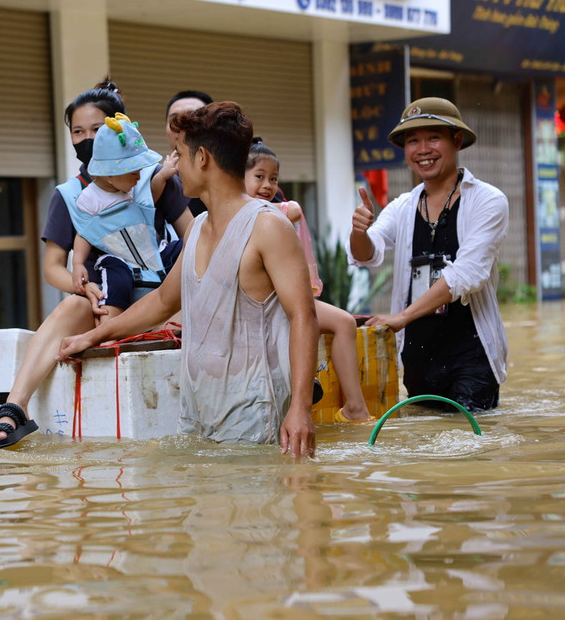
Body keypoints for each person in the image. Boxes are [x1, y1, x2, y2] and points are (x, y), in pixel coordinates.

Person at [58, 102, 318, 457]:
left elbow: (303, 316)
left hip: (254, 411)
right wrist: (91, 337)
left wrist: (300, 409)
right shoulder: (197, 229)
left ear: (203, 159)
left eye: (179, 153)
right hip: (197, 409)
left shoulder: (268, 225)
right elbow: (164, 301)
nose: (175, 164)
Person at [0, 80, 193, 448]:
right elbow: (53, 268)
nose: (86, 138)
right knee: (71, 307)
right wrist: (83, 286)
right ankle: (14, 408)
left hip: (161, 295)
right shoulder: (69, 195)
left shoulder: (152, 177)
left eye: (96, 129)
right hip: (102, 299)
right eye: (77, 131)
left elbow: (192, 235)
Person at [348, 97, 509, 411]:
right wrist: (358, 231)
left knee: (469, 445)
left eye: (433, 138)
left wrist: (403, 316)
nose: (422, 149)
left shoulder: (489, 201)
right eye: (412, 141)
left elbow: (467, 275)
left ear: (456, 140)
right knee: (426, 446)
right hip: (418, 354)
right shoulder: (403, 206)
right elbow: (367, 254)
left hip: (472, 355)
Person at [245, 140, 372, 422]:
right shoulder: (245, 214)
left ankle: (355, 408)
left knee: (344, 321)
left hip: (284, 300)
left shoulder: (278, 211)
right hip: (259, 306)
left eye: (273, 179)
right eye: (259, 177)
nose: (267, 185)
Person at [70, 113, 184, 322]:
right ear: (110, 174)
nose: (139, 177)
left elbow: (151, 195)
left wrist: (163, 174)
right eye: (133, 173)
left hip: (149, 252)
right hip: (117, 256)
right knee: (116, 277)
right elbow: (84, 234)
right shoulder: (90, 198)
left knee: (185, 247)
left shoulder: (129, 186)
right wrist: (78, 265)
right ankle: (109, 323)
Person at [165, 90, 214, 217]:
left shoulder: (246, 178)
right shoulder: (157, 181)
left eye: (191, 118)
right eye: (173, 120)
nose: (180, 127)